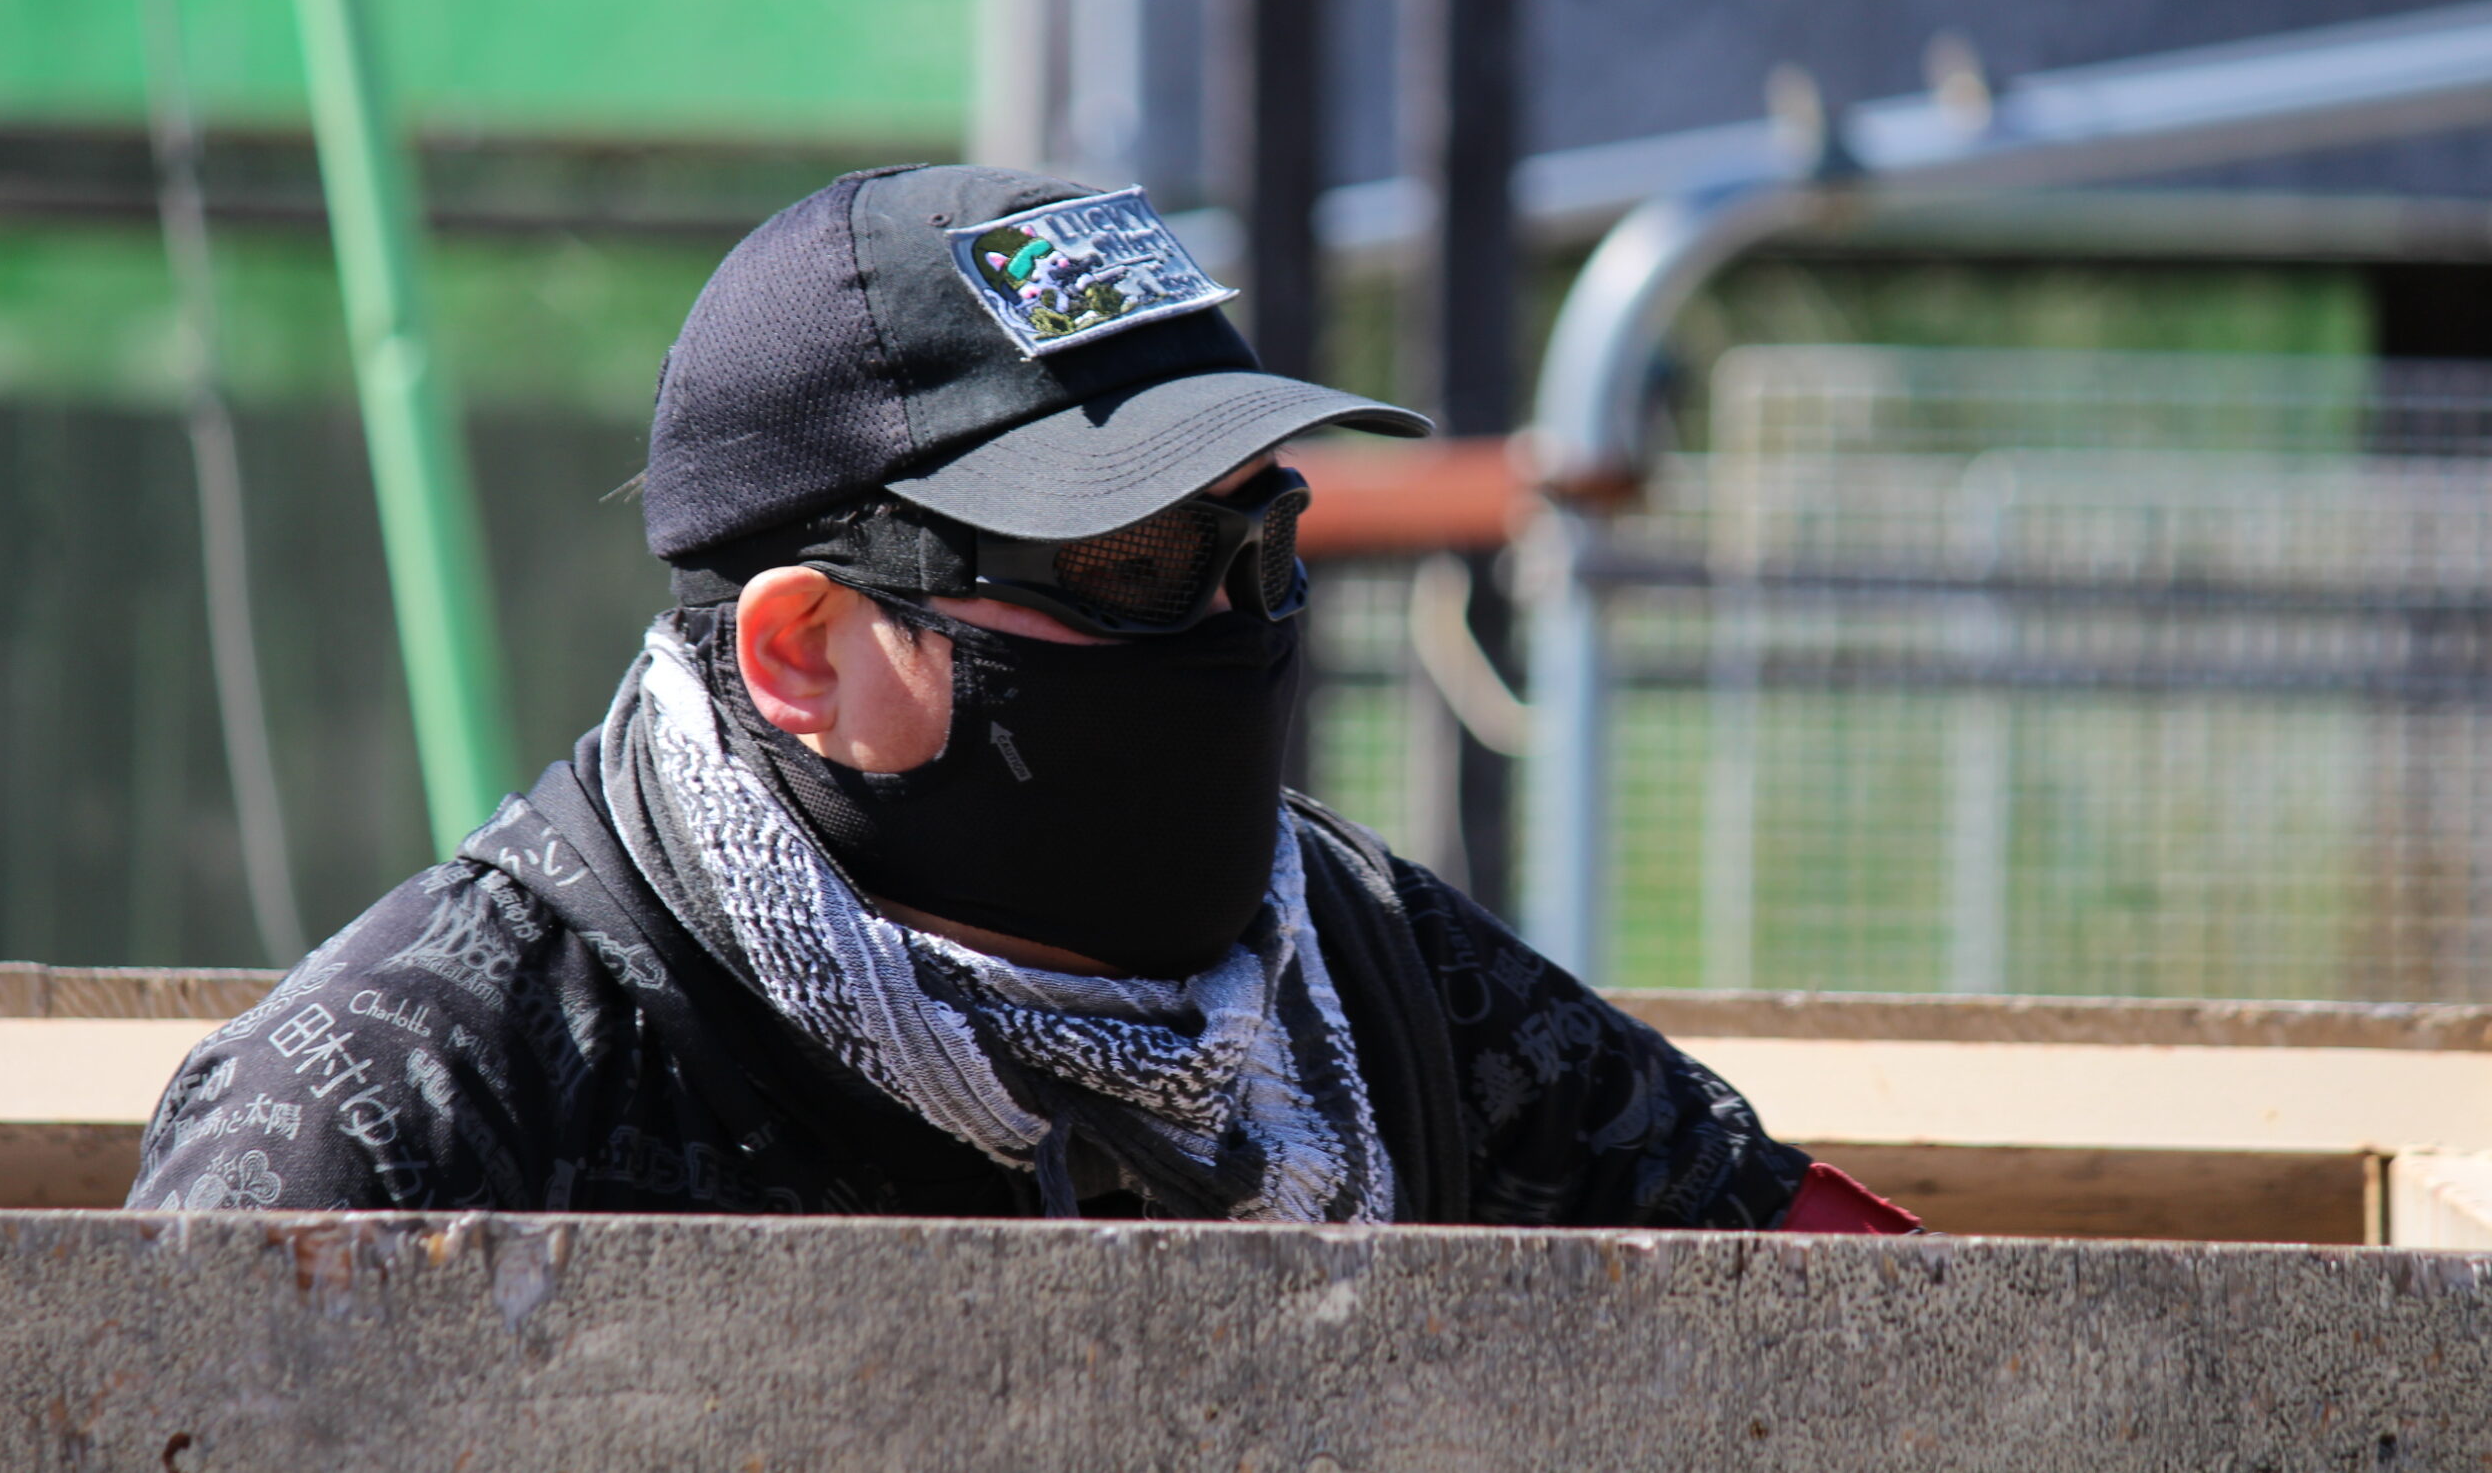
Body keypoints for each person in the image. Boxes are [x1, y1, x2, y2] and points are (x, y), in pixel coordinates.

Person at [129, 164, 1914, 1233]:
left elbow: (1861, 1325)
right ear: (805, 651)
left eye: (1263, 539)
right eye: (1134, 566)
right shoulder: (421, 1105)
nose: (1234, 621)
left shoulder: (1362, 974)